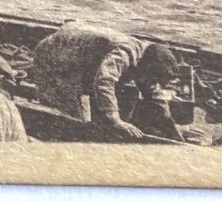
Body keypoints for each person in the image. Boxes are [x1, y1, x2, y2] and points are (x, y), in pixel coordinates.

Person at [26, 21, 182, 139]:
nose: (152, 83)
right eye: (153, 78)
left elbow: (154, 95)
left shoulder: (146, 58)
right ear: (147, 67)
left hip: (80, 58)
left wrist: (172, 128)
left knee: (105, 105)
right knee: (71, 118)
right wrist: (115, 119)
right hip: (53, 57)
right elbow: (104, 81)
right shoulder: (125, 53)